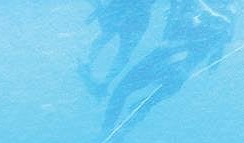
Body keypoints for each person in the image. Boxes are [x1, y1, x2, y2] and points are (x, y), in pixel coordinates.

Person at [101, 0, 236, 134]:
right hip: (177, 67)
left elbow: (220, 29)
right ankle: (126, 124)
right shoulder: (227, 11)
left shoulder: (224, 12)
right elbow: (221, 40)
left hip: (169, 57)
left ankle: (108, 130)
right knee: (136, 97)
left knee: (122, 90)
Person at [78, 0, 158, 98]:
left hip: (127, 11)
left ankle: (90, 65)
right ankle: (103, 80)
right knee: (121, 49)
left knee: (107, 38)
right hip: (136, 14)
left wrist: (99, 8)